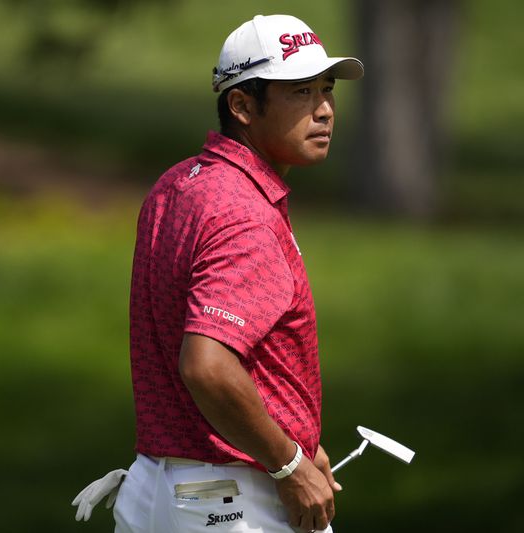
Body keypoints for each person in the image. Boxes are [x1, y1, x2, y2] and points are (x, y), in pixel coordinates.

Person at [73, 13, 363, 533]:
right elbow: (207, 365)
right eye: (300, 91)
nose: (324, 109)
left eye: (326, 89)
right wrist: (289, 463)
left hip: (156, 491)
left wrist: (299, 439)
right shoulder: (244, 210)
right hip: (233, 505)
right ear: (242, 105)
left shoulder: (180, 183)